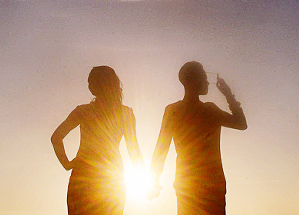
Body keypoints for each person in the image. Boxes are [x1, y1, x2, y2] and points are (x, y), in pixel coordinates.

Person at [150, 61, 247, 215]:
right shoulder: (210, 110)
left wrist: (153, 179)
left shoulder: (173, 110)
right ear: (194, 80)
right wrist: (228, 95)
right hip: (212, 184)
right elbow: (241, 123)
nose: (208, 81)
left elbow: (161, 148)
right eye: (204, 76)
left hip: (188, 184)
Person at [52, 66, 144, 215]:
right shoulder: (126, 113)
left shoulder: (83, 111)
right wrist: (145, 180)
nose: (88, 85)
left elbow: (56, 137)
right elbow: (133, 150)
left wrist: (67, 163)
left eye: (91, 81)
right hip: (112, 178)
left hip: (83, 178)